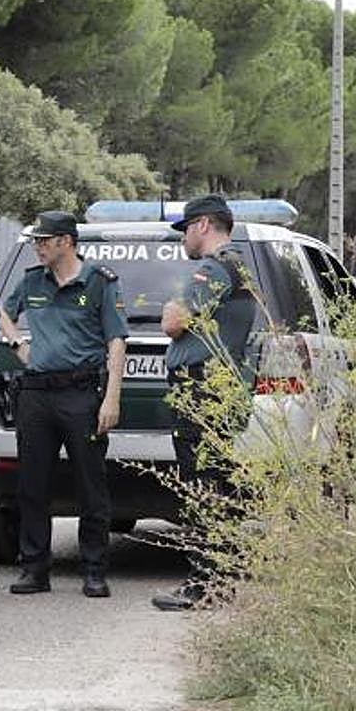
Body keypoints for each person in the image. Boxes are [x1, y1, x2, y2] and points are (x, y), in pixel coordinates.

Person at [0, 210, 127, 598]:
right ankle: (34, 568)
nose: (37, 247)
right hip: (36, 394)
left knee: (91, 484)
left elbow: (116, 341)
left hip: (80, 393)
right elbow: (2, 311)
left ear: (66, 242)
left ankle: (93, 569)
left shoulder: (100, 282)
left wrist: (112, 398)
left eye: (44, 240)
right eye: (36, 240)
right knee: (32, 484)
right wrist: (18, 344)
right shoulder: (31, 281)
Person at [152, 195, 256, 611]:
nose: (183, 239)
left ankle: (204, 584)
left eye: (186, 228)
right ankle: (222, 578)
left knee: (201, 486)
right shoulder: (239, 264)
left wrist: (170, 310)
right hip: (221, 387)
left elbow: (172, 322)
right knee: (219, 483)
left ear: (204, 225)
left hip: (203, 389)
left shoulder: (214, 267)